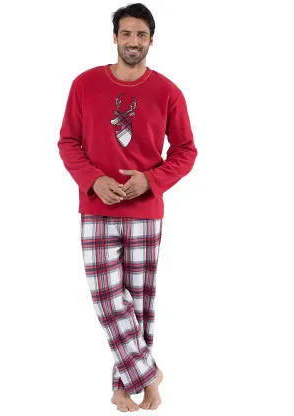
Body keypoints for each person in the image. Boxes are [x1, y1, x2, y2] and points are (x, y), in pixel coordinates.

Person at [58, 2, 197, 412]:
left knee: (138, 303)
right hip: (96, 207)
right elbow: (68, 142)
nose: (133, 41)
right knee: (108, 298)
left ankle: (124, 388)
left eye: (141, 34)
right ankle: (150, 375)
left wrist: (150, 180)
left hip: (145, 213)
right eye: (126, 33)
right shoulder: (84, 84)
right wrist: (94, 180)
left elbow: (186, 151)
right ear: (114, 37)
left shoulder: (168, 92)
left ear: (151, 40)